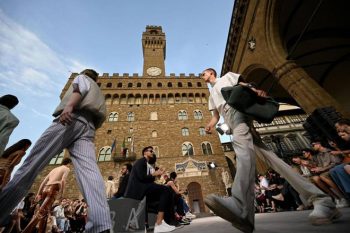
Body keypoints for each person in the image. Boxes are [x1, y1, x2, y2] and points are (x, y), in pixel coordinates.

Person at [201, 68, 341, 233]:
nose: (202, 76)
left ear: (211, 73)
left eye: (204, 73)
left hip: (239, 111)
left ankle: (240, 204)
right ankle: (321, 199)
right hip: (229, 120)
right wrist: (211, 124)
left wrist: (255, 90)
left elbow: (243, 85)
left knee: (242, 151)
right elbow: (216, 115)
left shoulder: (227, 77)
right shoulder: (211, 96)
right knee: (274, 160)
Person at [0, 69, 111, 233]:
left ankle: (2, 209)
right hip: (89, 128)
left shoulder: (82, 78)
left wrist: (69, 106)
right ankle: (102, 225)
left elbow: (79, 89)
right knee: (90, 174)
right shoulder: (99, 93)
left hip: (71, 118)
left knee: (32, 164)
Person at [124, 146, 175, 233]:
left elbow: (147, 179)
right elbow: (142, 177)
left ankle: (160, 222)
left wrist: (157, 174)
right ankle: (159, 223)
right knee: (165, 190)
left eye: (152, 151)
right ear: (145, 153)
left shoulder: (144, 162)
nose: (152, 152)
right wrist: (154, 174)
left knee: (164, 193)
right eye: (150, 151)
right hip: (139, 189)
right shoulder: (141, 161)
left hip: (142, 188)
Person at [22, 157, 72, 233]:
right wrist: (62, 193)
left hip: (45, 189)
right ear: (69, 163)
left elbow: (43, 182)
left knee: (44, 214)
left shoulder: (54, 169)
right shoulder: (66, 169)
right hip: (53, 190)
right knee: (41, 212)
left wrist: (39, 193)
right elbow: (63, 180)